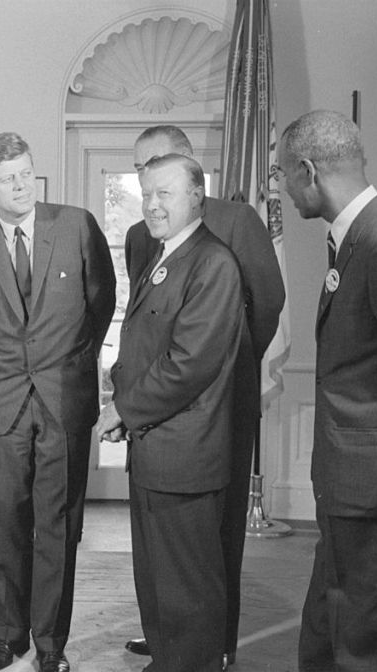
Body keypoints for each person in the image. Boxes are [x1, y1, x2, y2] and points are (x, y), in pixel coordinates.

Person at [276, 110, 377, 672]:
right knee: (330, 638)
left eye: (281, 174)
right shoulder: (356, 238)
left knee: (375, 648)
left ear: (308, 171)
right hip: (355, 495)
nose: (280, 187)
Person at [121, 125, 285, 665]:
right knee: (170, 545)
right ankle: (169, 639)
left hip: (220, 404)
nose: (148, 188)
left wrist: (226, 368)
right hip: (166, 411)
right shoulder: (143, 234)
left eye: (160, 171)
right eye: (141, 174)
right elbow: (149, 325)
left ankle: (213, 649)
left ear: (189, 169)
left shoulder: (235, 222)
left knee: (211, 540)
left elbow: (265, 303)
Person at [0, 132, 115, 672]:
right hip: (4, 403)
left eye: (25, 172)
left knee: (59, 526)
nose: (20, 185)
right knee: (6, 523)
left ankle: (50, 644)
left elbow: (101, 303)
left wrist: (64, 361)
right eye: (6, 178)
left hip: (64, 400)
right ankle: (9, 635)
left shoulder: (75, 225)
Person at [97, 153, 246, 672]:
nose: (153, 205)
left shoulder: (212, 263)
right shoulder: (164, 255)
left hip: (186, 455)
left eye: (165, 193)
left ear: (197, 196)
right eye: (147, 193)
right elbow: (143, 345)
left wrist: (123, 407)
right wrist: (119, 387)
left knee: (188, 587)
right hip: (156, 450)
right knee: (157, 581)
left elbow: (188, 365)